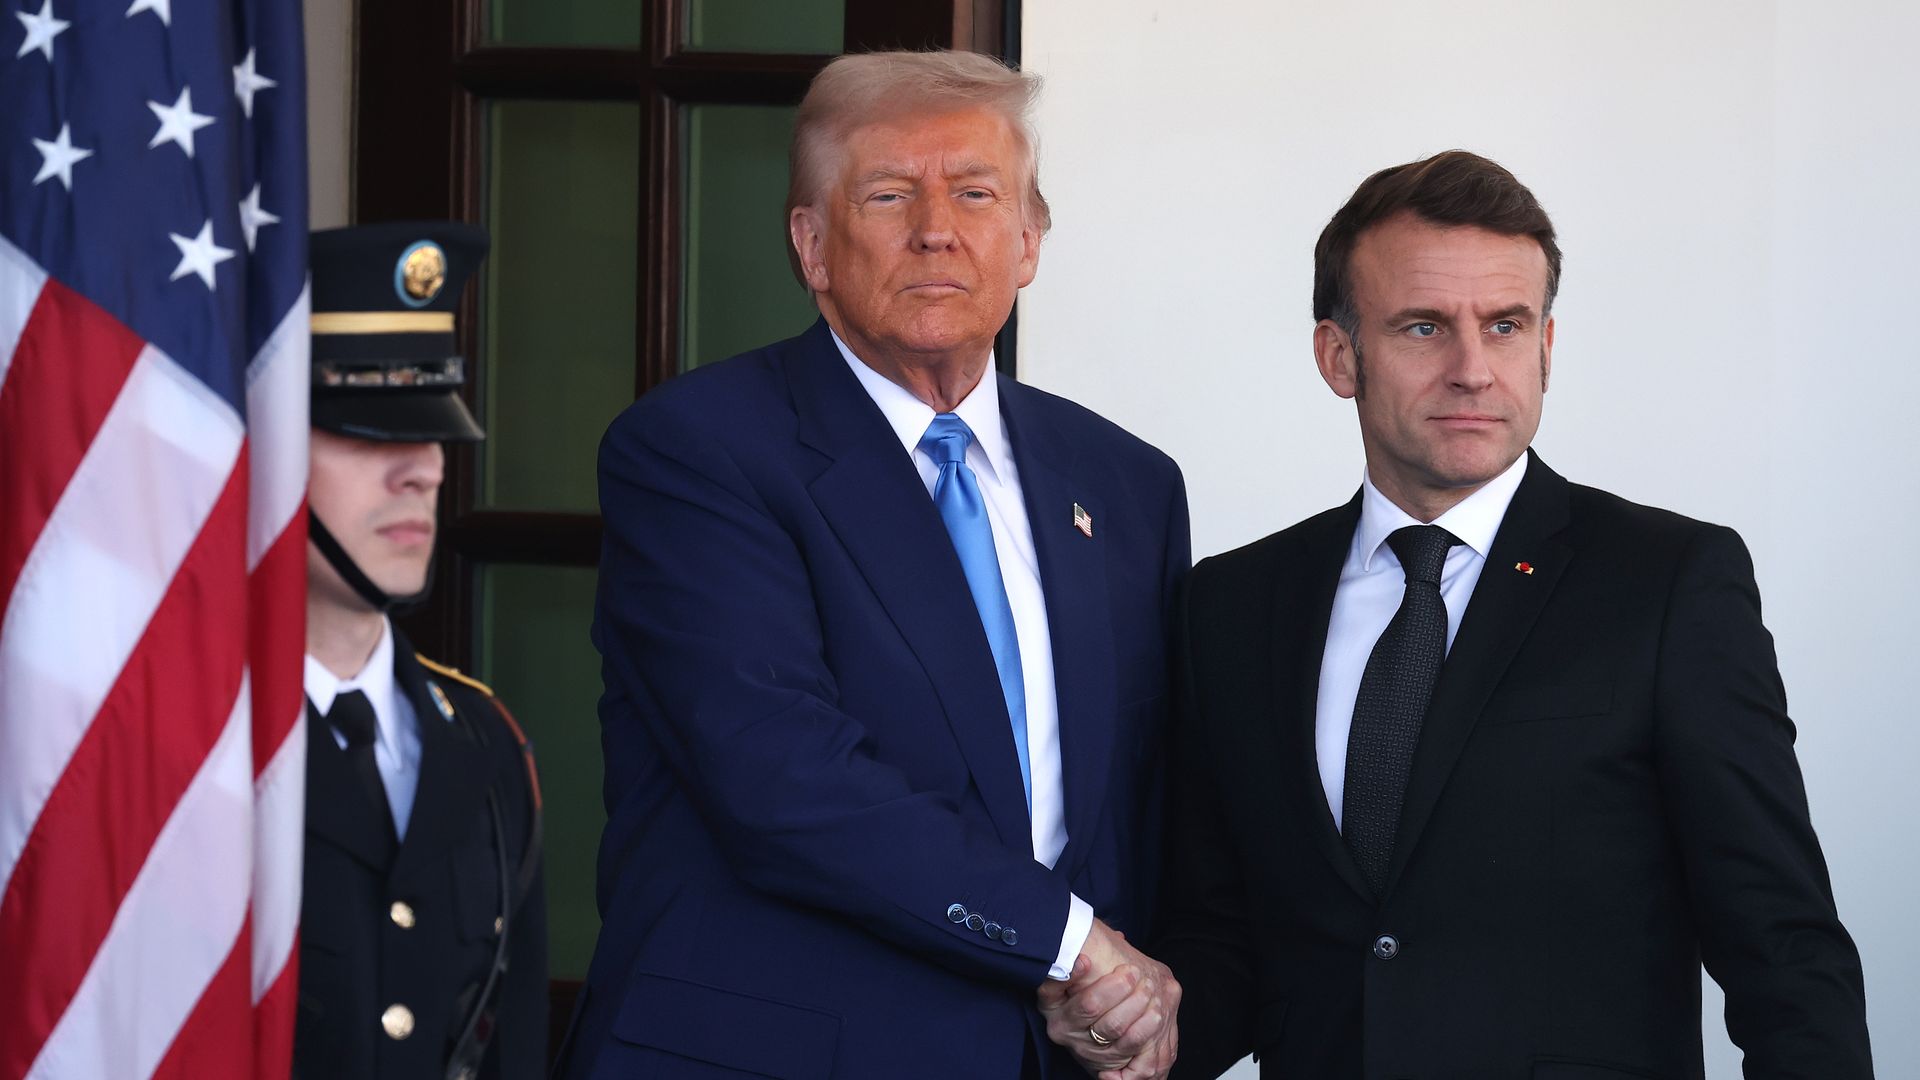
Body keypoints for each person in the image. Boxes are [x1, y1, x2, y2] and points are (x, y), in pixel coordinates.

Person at [1144, 151, 1874, 1080]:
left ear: (1547, 348)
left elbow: (1783, 944)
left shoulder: (1669, 584)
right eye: (1423, 327)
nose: (1472, 370)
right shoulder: (1234, 604)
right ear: (1338, 356)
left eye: (1504, 325)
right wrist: (1133, 1028)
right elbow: (1227, 939)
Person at [556, 50, 1189, 1080]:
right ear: (812, 245)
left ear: (1028, 241)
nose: (936, 229)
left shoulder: (1126, 484)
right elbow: (783, 775)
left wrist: (1127, 999)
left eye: (976, 193)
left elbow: (1137, 803)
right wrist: (1072, 945)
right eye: (889, 195)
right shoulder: (695, 450)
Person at [296, 223, 548, 1079]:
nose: (423, 472)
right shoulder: (176, 740)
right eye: (368, 433)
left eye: (432, 433)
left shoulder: (485, 741)